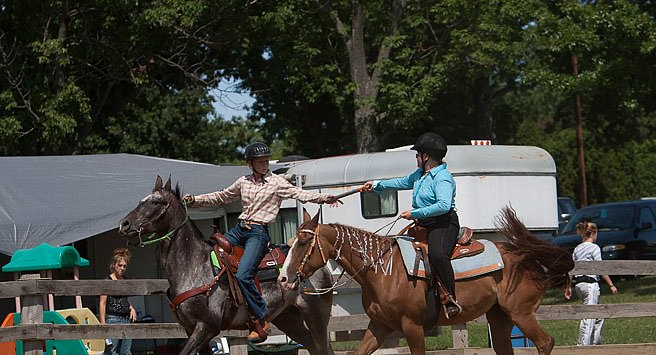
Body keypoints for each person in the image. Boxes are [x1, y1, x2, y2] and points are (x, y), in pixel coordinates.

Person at [183, 141, 339, 342]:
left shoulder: (277, 182)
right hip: (240, 229)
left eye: (266, 161)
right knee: (212, 254)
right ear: (251, 163)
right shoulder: (243, 182)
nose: (265, 164)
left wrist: (324, 198)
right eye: (261, 161)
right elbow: (221, 196)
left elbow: (299, 194)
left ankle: (260, 317)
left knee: (244, 273)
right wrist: (195, 200)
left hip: (258, 233)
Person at [361, 132, 460, 322]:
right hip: (424, 224)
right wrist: (376, 185)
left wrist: (414, 214)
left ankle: (450, 297)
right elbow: (401, 182)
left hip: (444, 223)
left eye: (418, 154)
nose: (416, 157)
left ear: (427, 157)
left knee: (438, 255)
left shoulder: (443, 178)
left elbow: (443, 205)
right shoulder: (420, 175)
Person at [566, 221, 618, 346]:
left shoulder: (577, 248)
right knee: (589, 315)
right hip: (590, 284)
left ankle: (595, 342)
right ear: (593, 234)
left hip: (579, 284)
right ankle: (584, 346)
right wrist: (611, 284)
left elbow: (572, 269)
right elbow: (599, 267)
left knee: (599, 314)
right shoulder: (594, 248)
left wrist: (568, 286)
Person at [98, 248, 138, 355]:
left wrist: (132, 308)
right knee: (110, 353)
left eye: (124, 266)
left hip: (126, 318)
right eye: (120, 265)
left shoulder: (125, 281)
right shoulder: (107, 281)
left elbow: (124, 299)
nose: (122, 268)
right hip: (112, 318)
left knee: (125, 353)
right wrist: (103, 324)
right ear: (114, 265)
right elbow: (102, 303)